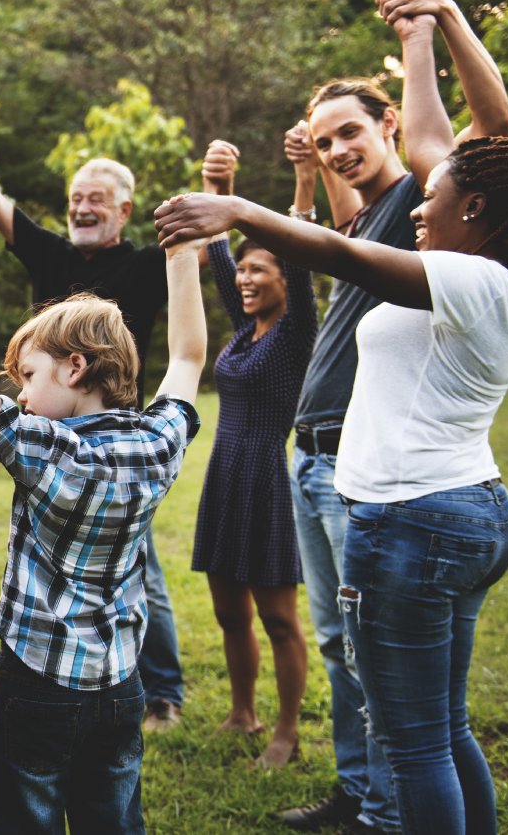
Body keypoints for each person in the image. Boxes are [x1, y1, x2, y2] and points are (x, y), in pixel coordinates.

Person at [157, 0, 508, 835]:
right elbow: (432, 142)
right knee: (444, 728)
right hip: (461, 505)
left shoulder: (465, 277)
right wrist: (426, 29)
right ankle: (371, 800)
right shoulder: (497, 275)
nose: (422, 206)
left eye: (438, 198)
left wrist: (242, 208)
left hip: (414, 519)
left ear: (480, 210)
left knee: (419, 742)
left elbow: (349, 246)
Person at [268, 0, 508, 834]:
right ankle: (362, 792)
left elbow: (483, 130)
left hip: (374, 478)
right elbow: (337, 219)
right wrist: (314, 167)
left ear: (393, 130)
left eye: (351, 133)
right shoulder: (385, 216)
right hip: (318, 451)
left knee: (390, 679)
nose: (339, 149)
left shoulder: (426, 206)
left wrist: (428, 27)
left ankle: (384, 808)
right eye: (324, 138)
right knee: (345, 649)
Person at [0, 205, 207, 833]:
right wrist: (181, 255)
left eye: (28, 375)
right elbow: (188, 356)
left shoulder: (46, 447)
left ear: (75, 367)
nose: (22, 394)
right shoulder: (158, 444)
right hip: (120, 687)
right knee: (112, 820)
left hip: (37, 685)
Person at [0, 91, 200, 731]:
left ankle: (162, 690)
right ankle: (65, 665)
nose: (81, 207)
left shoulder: (145, 264)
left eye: (96, 198)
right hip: (46, 432)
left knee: (135, 566)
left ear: (124, 209)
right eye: (74, 198)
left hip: (117, 437)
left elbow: (187, 329)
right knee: (53, 553)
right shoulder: (50, 253)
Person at [191, 140, 316, 769]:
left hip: (266, 476)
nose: (243, 277)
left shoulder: (296, 332)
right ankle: (243, 713)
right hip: (224, 475)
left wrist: (301, 181)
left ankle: (287, 733)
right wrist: (219, 184)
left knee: (277, 617)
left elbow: (297, 248)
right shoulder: (245, 331)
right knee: (227, 611)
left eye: (258, 269)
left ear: (285, 280)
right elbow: (216, 251)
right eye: (242, 271)